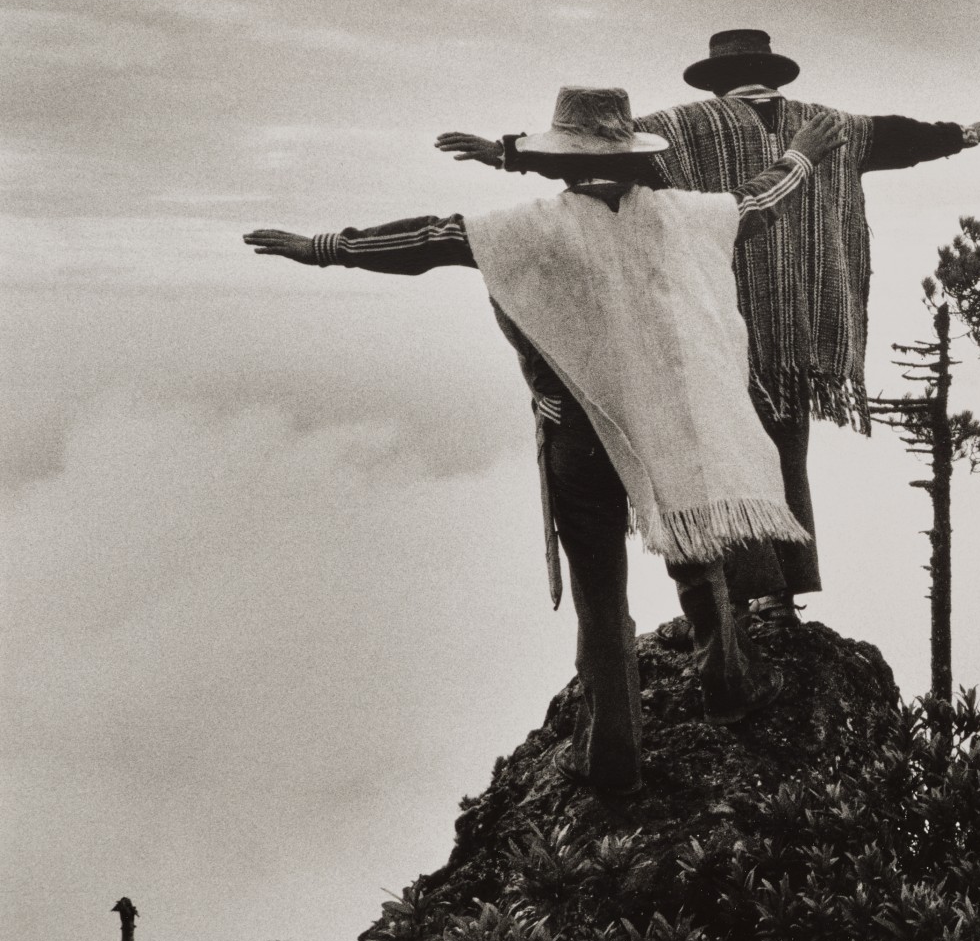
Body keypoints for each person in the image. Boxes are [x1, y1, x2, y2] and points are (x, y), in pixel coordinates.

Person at [243, 85, 847, 796]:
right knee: (697, 549)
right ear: (633, 158)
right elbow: (757, 203)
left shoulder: (527, 230)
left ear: (558, 163)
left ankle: (613, 758)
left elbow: (430, 240)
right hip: (666, 423)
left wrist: (322, 249)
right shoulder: (681, 217)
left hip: (578, 438)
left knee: (601, 598)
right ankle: (729, 685)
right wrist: (801, 155)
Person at [436, 29, 980, 625]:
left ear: (714, 79)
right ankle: (785, 591)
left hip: (716, 317)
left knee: (729, 455)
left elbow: (596, 150)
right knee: (787, 451)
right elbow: (900, 136)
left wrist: (505, 152)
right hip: (804, 326)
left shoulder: (684, 128)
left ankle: (744, 596)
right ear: (774, 74)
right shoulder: (830, 124)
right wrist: (963, 135)